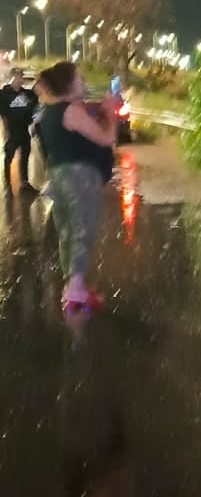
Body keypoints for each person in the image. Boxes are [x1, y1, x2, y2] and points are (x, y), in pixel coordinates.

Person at [34, 61, 116, 313]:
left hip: (58, 176)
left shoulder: (48, 111)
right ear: (68, 82)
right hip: (79, 176)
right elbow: (107, 138)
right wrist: (111, 114)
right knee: (83, 230)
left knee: (67, 231)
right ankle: (75, 288)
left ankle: (72, 285)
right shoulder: (71, 111)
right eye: (79, 78)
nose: (83, 81)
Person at [0, 68, 39, 194]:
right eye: (17, 76)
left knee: (25, 155)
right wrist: (5, 129)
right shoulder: (4, 94)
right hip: (12, 130)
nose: (19, 79)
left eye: (21, 76)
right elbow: (3, 113)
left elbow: (36, 107)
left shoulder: (27, 94)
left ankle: (24, 182)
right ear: (11, 77)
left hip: (24, 129)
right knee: (9, 156)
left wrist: (35, 125)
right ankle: (7, 183)